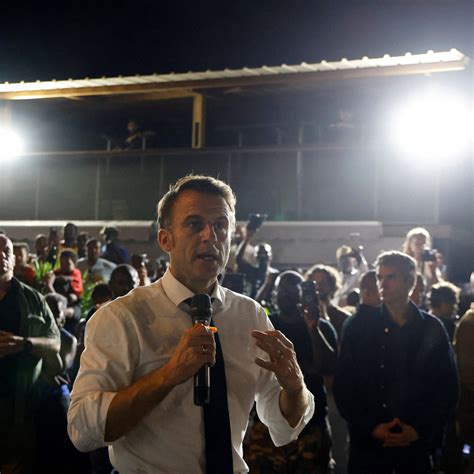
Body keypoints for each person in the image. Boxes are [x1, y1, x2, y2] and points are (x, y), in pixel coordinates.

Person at [68, 175, 314, 473]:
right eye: (195, 224)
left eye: (221, 226)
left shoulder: (249, 316)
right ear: (165, 239)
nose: (210, 235)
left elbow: (282, 423)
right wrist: (168, 375)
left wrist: (294, 386)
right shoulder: (122, 317)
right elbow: (82, 429)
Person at [334, 251, 458, 474]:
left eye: (390, 277)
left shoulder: (431, 328)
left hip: (414, 448)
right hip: (369, 448)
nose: (383, 283)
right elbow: (344, 386)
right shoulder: (359, 327)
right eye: (380, 277)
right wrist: (372, 427)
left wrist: (418, 429)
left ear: (410, 282)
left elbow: (447, 387)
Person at [245, 271, 338, 473]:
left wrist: (314, 329)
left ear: (301, 294)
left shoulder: (321, 327)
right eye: (280, 289)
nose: (284, 295)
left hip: (310, 425)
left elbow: (328, 368)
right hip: (267, 425)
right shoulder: (266, 325)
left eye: (290, 290)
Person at [0, 234, 61, 473]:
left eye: (6, 251)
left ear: (14, 260)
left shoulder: (33, 299)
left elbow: (55, 343)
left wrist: (25, 343)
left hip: (21, 402)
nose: (1, 256)